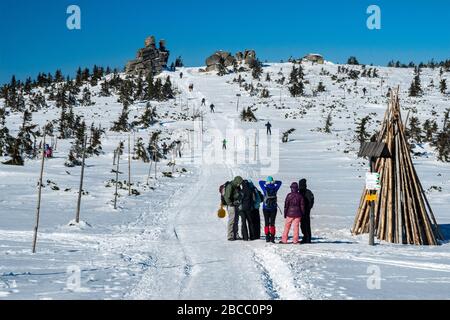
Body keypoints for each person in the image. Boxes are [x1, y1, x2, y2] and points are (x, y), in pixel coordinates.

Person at [259, 177, 282, 243]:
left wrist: (266, 183)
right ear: (272, 181)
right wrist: (274, 182)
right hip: (273, 208)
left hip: (265, 208)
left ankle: (267, 237)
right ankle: (272, 238)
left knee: (266, 223)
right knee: (272, 223)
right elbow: (280, 182)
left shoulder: (265, 188)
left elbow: (260, 182)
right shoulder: (275, 188)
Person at [224, 176, 244, 241]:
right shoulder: (230, 186)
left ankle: (236, 234)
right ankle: (230, 235)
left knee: (236, 220)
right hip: (231, 206)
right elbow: (227, 197)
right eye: (239, 183)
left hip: (236, 205)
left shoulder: (237, 186)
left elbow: (240, 194)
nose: (240, 184)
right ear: (236, 181)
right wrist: (230, 203)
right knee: (232, 220)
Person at [299, 179, 315, 244]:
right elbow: (312, 201)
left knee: (303, 225)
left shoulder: (299, 192)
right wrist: (309, 208)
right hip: (307, 210)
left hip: (302, 211)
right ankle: (307, 238)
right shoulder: (309, 192)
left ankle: (306, 238)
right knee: (307, 224)